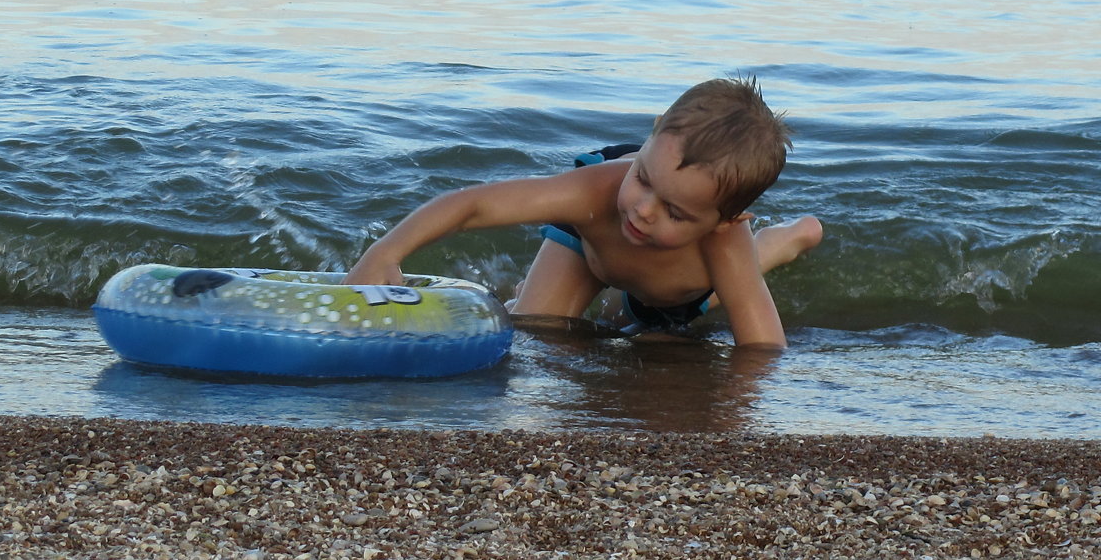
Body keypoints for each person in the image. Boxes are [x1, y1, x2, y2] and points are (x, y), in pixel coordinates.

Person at [343, 77, 822, 347]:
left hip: (674, 287)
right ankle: (532, 293)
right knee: (533, 329)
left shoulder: (724, 239)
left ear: (722, 220)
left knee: (644, 324)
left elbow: (763, 348)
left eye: (674, 212)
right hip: (593, 243)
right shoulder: (600, 191)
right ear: (651, 136)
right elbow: (474, 205)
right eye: (644, 179)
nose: (643, 210)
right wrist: (386, 253)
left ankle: (790, 236)